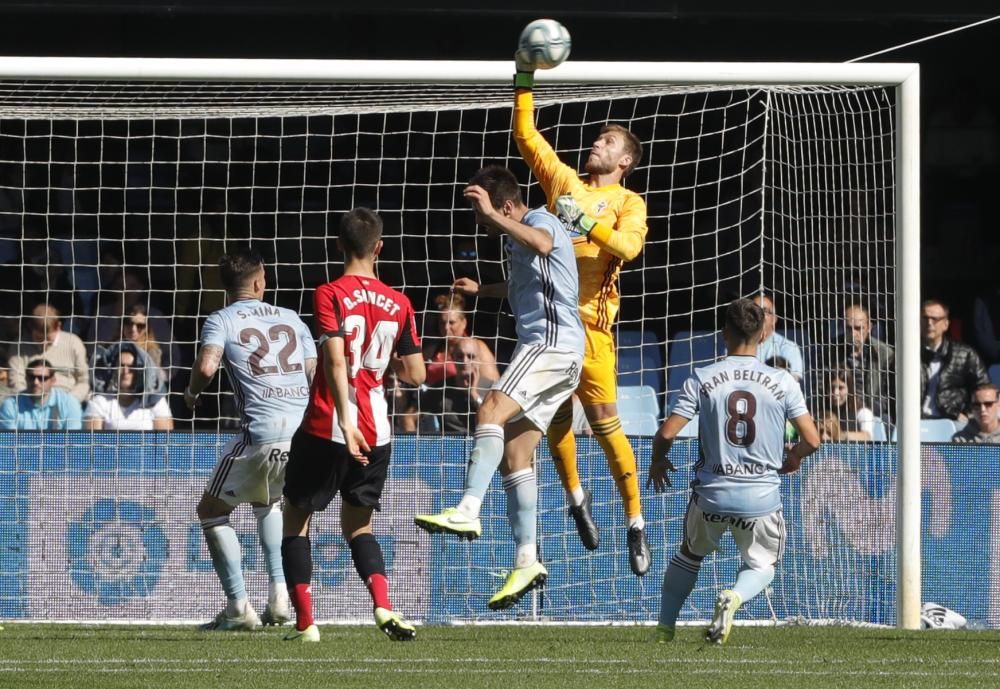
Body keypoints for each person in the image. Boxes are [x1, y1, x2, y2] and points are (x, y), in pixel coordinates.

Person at [415, 165, 584, 610]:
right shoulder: (518, 235)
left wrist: (493, 215)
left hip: (550, 343)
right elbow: (525, 281)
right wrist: (482, 290)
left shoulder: (540, 221)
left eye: (484, 212)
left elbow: (545, 245)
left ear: (506, 205)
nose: (481, 221)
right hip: (562, 355)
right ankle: (527, 559)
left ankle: (468, 509)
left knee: (488, 409)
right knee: (515, 454)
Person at [513, 53, 651, 574]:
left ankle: (635, 523)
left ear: (625, 161)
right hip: (552, 327)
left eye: (609, 142)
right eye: (599, 137)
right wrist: (524, 75)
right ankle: (576, 498)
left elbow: (628, 250)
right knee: (555, 420)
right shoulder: (564, 183)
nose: (597, 142)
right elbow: (527, 134)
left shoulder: (627, 202)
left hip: (593, 329)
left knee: (608, 426)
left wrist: (582, 223)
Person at [281, 207, 425, 643]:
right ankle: (383, 606)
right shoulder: (400, 303)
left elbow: (336, 355)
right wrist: (381, 362)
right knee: (358, 526)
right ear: (379, 247)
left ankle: (306, 623)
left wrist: (345, 417)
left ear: (339, 244)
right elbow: (416, 375)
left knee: (295, 520)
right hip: (378, 431)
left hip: (329, 423)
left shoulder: (329, 292)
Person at [647, 298, 820, 645]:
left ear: (725, 333)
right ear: (762, 334)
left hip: (711, 493)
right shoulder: (782, 381)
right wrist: (795, 457)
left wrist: (658, 461)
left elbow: (667, 432)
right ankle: (735, 597)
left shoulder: (704, 377)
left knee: (689, 554)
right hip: (760, 498)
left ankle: (665, 629)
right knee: (762, 566)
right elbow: (813, 440)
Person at [183, 250, 317, 632]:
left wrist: (191, 395)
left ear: (226, 287)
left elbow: (207, 366)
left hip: (261, 430)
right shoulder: (292, 319)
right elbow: (314, 372)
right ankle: (279, 597)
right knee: (269, 500)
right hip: (303, 432)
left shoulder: (221, 319)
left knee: (210, 510)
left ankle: (239, 606)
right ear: (261, 282)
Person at [921, 298, 989, 421]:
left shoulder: (965, 354)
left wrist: (968, 415)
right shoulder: (907, 355)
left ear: (946, 324)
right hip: (914, 422)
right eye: (925, 318)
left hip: (952, 420)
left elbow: (984, 389)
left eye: (935, 319)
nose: (929, 323)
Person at [8, 303, 90, 403]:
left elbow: (83, 381)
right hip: (31, 401)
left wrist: (69, 402)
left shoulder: (74, 343)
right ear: (31, 329)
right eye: (39, 338)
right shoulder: (19, 346)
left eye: (49, 338)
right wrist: (33, 401)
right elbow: (16, 381)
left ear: (59, 326)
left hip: (67, 400)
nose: (44, 343)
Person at [420, 336, 498, 435]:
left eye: (470, 356)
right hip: (449, 446)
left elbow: (495, 422)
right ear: (453, 358)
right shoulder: (440, 388)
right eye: (460, 356)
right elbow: (411, 416)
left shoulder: (492, 388)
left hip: (480, 443)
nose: (465, 362)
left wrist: (474, 395)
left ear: (479, 359)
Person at [84, 344, 173, 430]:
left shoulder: (156, 401)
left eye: (131, 366)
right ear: (113, 370)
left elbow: (165, 442)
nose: (126, 371)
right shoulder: (99, 401)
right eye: (121, 365)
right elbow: (93, 442)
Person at [422, 291, 500, 387]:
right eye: (442, 322)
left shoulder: (478, 348)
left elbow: (493, 386)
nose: (446, 327)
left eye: (451, 322)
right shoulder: (432, 350)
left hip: (467, 400)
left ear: (464, 323)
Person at [841, 303, 895, 419]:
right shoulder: (831, 350)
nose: (853, 334)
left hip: (874, 413)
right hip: (841, 412)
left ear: (869, 327)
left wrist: (866, 411)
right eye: (848, 328)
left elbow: (888, 394)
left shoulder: (884, 353)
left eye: (858, 328)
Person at [0, 357, 83, 430]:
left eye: (42, 378)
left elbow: (72, 444)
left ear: (53, 381)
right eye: (31, 377)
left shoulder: (69, 403)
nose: (35, 382)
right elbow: (10, 444)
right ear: (25, 378)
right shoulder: (11, 405)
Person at [752, 293, 804, 382]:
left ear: (774, 319)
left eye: (765, 311)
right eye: (754, 311)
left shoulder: (788, 347)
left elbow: (791, 383)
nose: (759, 315)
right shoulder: (736, 345)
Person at [823, 370, 874, 441]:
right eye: (831, 388)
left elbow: (867, 436)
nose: (835, 393)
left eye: (841, 388)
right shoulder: (821, 410)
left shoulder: (862, 412)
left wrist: (840, 435)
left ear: (849, 389)